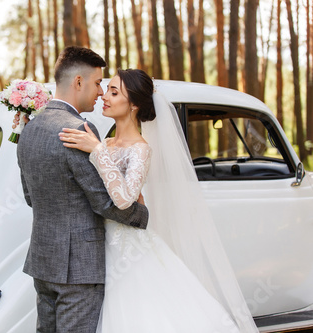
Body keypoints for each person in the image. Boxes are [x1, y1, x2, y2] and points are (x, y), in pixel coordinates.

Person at [59, 69, 259, 332]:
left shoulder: (140, 149)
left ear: (133, 105)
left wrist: (96, 150)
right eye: (107, 89)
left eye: (114, 92)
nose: (104, 96)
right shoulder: (104, 143)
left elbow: (125, 200)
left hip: (127, 250)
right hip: (96, 243)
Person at [16, 47, 149, 333]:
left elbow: (29, 196)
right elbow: (102, 203)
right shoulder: (80, 129)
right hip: (78, 268)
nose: (101, 92)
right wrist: (141, 215)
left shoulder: (30, 127)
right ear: (79, 82)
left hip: (43, 261)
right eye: (99, 83)